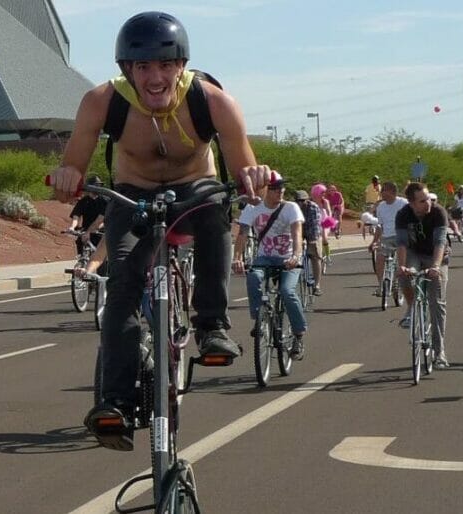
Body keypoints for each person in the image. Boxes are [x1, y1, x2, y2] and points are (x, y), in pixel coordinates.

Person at [47, 11, 276, 450]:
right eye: (144, 66)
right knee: (123, 286)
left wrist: (255, 175)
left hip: (194, 192)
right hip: (134, 195)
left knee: (214, 211)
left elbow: (245, 165)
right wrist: (65, 177)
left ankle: (212, 326)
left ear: (181, 66)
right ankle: (113, 402)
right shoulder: (101, 102)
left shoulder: (212, 101)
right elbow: (72, 168)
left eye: (165, 65)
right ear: (127, 71)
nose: (156, 76)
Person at [235, 180, 308, 357]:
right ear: (265, 190)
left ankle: (298, 334)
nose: (280, 192)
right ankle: (258, 320)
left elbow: (297, 233)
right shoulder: (253, 208)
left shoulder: (291, 208)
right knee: (253, 276)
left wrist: (296, 256)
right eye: (275, 189)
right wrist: (236, 258)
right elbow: (243, 234)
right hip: (265, 257)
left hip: (288, 258)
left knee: (287, 291)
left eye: (282, 189)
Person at [394, 183, 450, 366]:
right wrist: (402, 266)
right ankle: (411, 308)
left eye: (428, 198)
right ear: (411, 203)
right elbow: (401, 243)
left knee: (437, 303)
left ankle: (439, 351)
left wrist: (435, 266)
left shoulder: (438, 212)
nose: (428, 203)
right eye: (422, 200)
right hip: (414, 253)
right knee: (403, 273)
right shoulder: (403, 214)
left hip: (436, 256)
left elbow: (440, 242)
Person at [369, 181, 408, 293]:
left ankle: (398, 282)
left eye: (384, 190)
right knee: (380, 258)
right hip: (387, 238)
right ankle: (381, 286)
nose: (381, 193)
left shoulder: (403, 203)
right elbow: (380, 226)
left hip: (401, 237)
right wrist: (374, 242)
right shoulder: (381, 207)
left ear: (392, 191)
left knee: (401, 261)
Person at [68, 175, 110, 278]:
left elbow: (99, 221)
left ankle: (101, 283)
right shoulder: (83, 201)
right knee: (82, 251)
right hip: (85, 232)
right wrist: (72, 227)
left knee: (100, 262)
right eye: (95, 186)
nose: (97, 188)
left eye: (98, 186)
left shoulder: (105, 201)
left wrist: (89, 232)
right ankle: (84, 269)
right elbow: (76, 215)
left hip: (100, 232)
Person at [294, 189, 325, 296]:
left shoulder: (313, 207)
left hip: (312, 232)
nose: (300, 203)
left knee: (315, 256)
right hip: (300, 231)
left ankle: (317, 285)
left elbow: (315, 225)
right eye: (298, 200)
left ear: (307, 200)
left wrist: (311, 241)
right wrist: (298, 240)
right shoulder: (294, 208)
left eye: (302, 200)